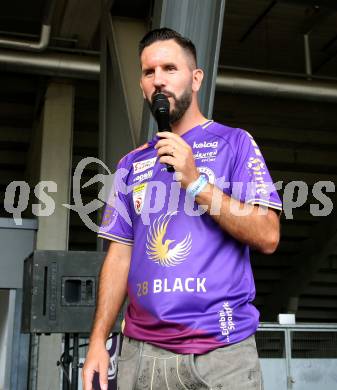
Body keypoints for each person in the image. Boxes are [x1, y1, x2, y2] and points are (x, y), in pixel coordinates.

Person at [83, 27, 282, 390]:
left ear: (196, 78)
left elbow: (268, 235)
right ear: (142, 85)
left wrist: (198, 184)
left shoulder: (234, 143)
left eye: (169, 68)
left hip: (221, 353)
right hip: (139, 353)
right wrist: (98, 339)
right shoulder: (131, 163)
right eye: (148, 72)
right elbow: (119, 255)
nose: (158, 80)